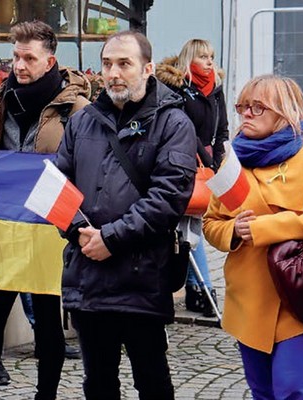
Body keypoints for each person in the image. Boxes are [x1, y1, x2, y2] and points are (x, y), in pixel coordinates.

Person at [55, 30, 197, 399]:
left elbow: (168, 197)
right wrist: (79, 233)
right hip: (88, 274)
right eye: (107, 64)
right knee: (98, 383)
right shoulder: (81, 121)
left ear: (147, 68)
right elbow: (56, 187)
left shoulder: (174, 123)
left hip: (142, 277)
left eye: (124, 64)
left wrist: (111, 239)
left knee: (151, 381)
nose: (113, 73)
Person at [0, 20, 90, 400]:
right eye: (16, 56)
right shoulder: (3, 100)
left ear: (50, 61)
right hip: (6, 224)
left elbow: (87, 166)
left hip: (50, 227)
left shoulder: (76, 109)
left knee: (48, 319)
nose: (20, 65)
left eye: (29, 58)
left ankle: (45, 394)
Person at [203, 75, 303, 399]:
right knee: (261, 390)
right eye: (242, 106)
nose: (246, 114)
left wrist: (264, 228)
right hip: (247, 298)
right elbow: (211, 223)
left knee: (292, 390)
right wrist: (233, 231)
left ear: (284, 112)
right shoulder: (231, 161)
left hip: (300, 297)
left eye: (257, 107)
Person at [156, 38, 229, 317]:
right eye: (202, 57)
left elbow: (220, 130)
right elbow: (185, 129)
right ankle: (202, 289)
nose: (210, 61)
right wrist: (207, 160)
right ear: (189, 59)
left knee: (191, 226)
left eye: (211, 56)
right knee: (184, 227)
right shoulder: (177, 88)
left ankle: (197, 290)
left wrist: (219, 161)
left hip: (206, 165)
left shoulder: (214, 88)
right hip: (182, 161)